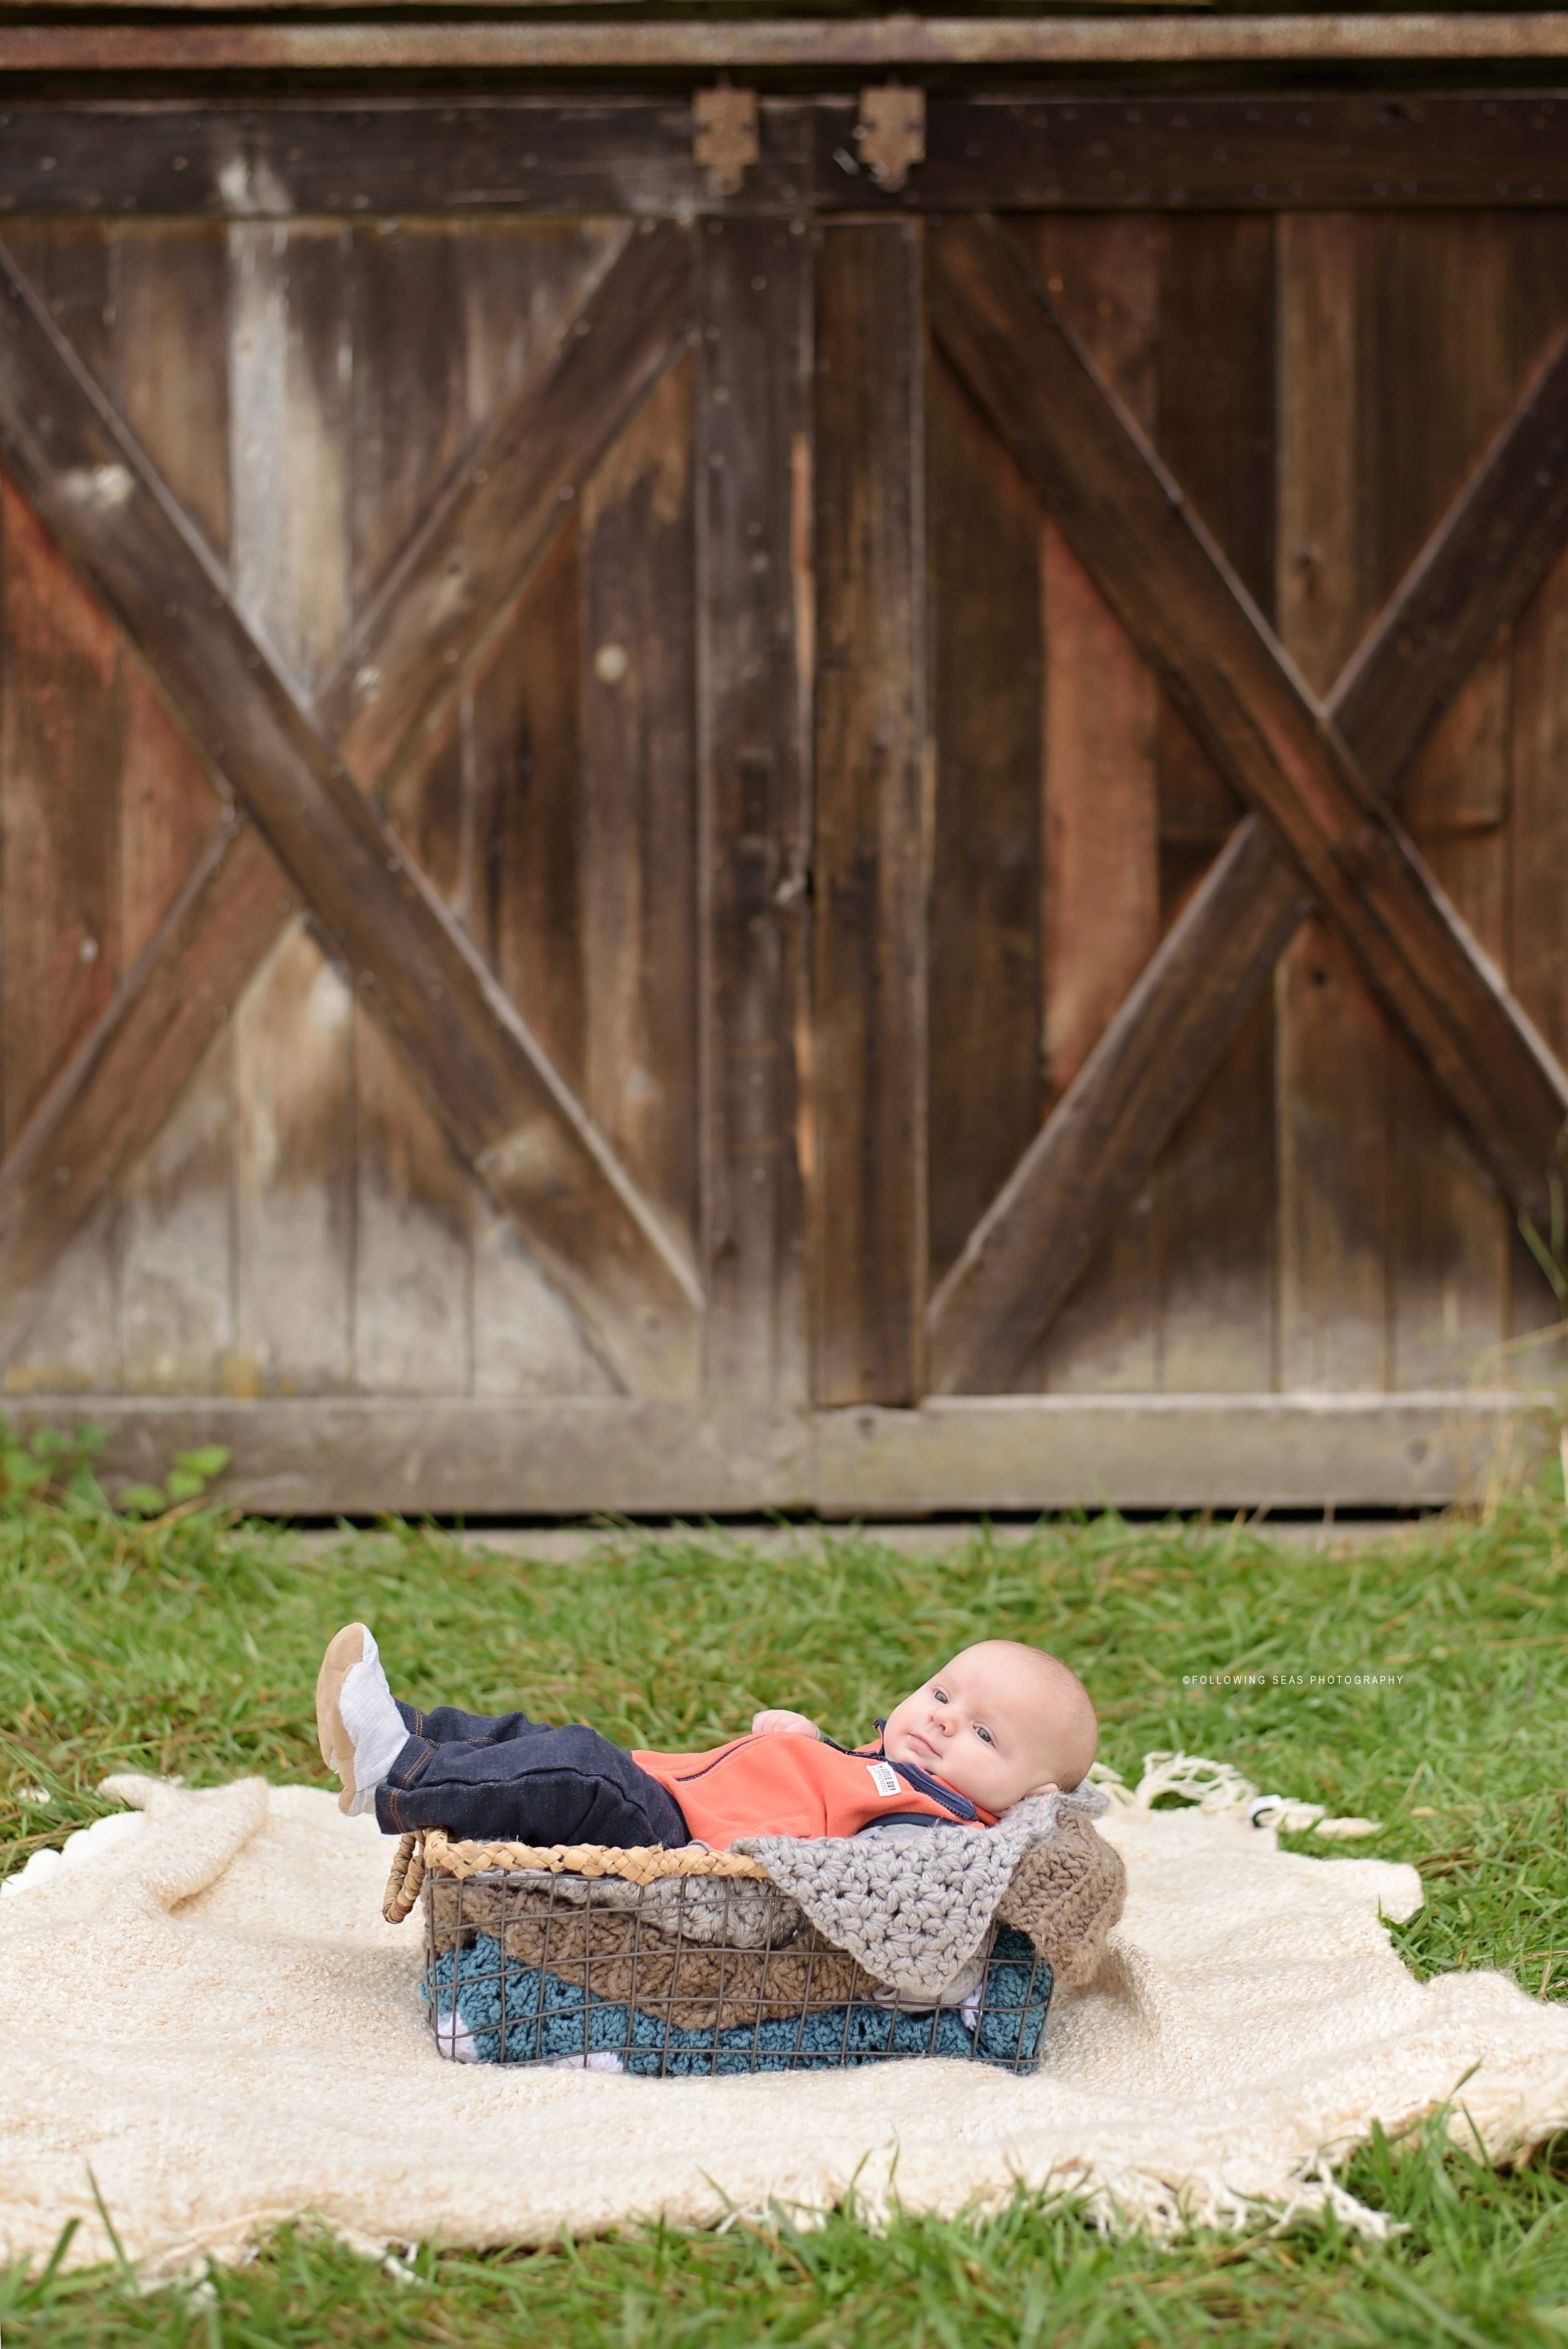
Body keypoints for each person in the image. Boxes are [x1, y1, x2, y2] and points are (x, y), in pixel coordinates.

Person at [315, 1627, 1099, 1849]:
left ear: (1029, 1794)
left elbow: (854, 1859)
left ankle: (398, 1774)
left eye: (983, 1732)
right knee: (539, 1745)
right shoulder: (887, 1767)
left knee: (580, 1770)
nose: (938, 1719)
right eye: (940, 1692)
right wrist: (808, 1743)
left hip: (682, 1836)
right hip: (673, 1791)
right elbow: (829, 1792)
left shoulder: (941, 1826)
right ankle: (414, 1729)